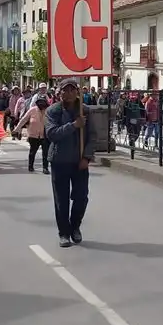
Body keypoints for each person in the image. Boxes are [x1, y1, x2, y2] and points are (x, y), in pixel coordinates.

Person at [45, 78, 95, 247]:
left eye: (72, 90)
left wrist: (86, 157)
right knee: (61, 200)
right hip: (59, 161)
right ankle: (64, 233)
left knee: (81, 197)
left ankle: (75, 227)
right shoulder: (53, 111)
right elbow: (52, 134)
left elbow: (92, 136)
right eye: (65, 90)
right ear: (60, 93)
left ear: (77, 92)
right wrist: (74, 125)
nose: (69, 93)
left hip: (79, 162)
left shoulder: (85, 110)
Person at [15, 94, 51, 174]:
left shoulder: (49, 111)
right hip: (33, 135)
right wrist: (17, 129)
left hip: (44, 135)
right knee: (32, 152)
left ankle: (45, 168)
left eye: (43, 103)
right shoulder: (32, 110)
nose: (41, 105)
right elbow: (23, 120)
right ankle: (30, 166)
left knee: (45, 153)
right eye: (40, 103)